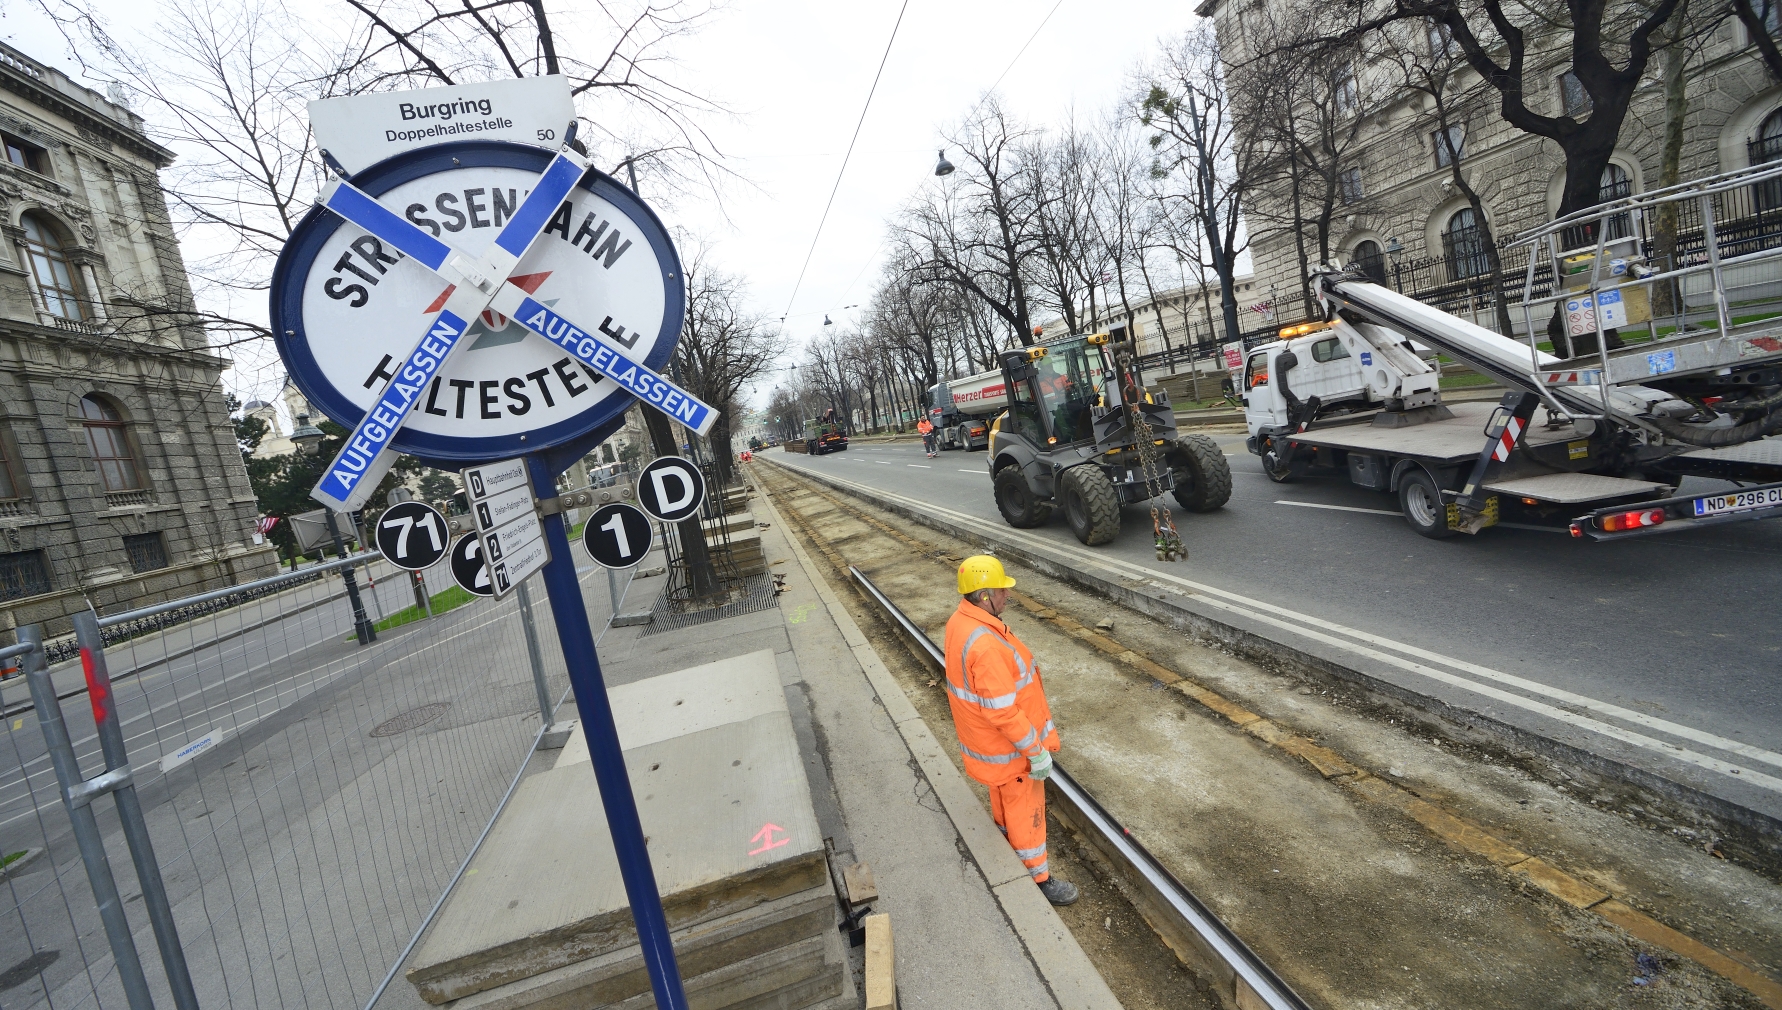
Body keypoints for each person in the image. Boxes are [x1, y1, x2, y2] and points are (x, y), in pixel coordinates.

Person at [943, 555, 1078, 905]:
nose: (1008, 595)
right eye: (1002, 590)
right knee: (1025, 812)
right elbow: (1003, 712)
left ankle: (1006, 846)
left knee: (1002, 798)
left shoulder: (961, 622)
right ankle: (1039, 880)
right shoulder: (985, 644)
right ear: (985, 596)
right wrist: (1035, 752)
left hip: (985, 745)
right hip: (1009, 749)